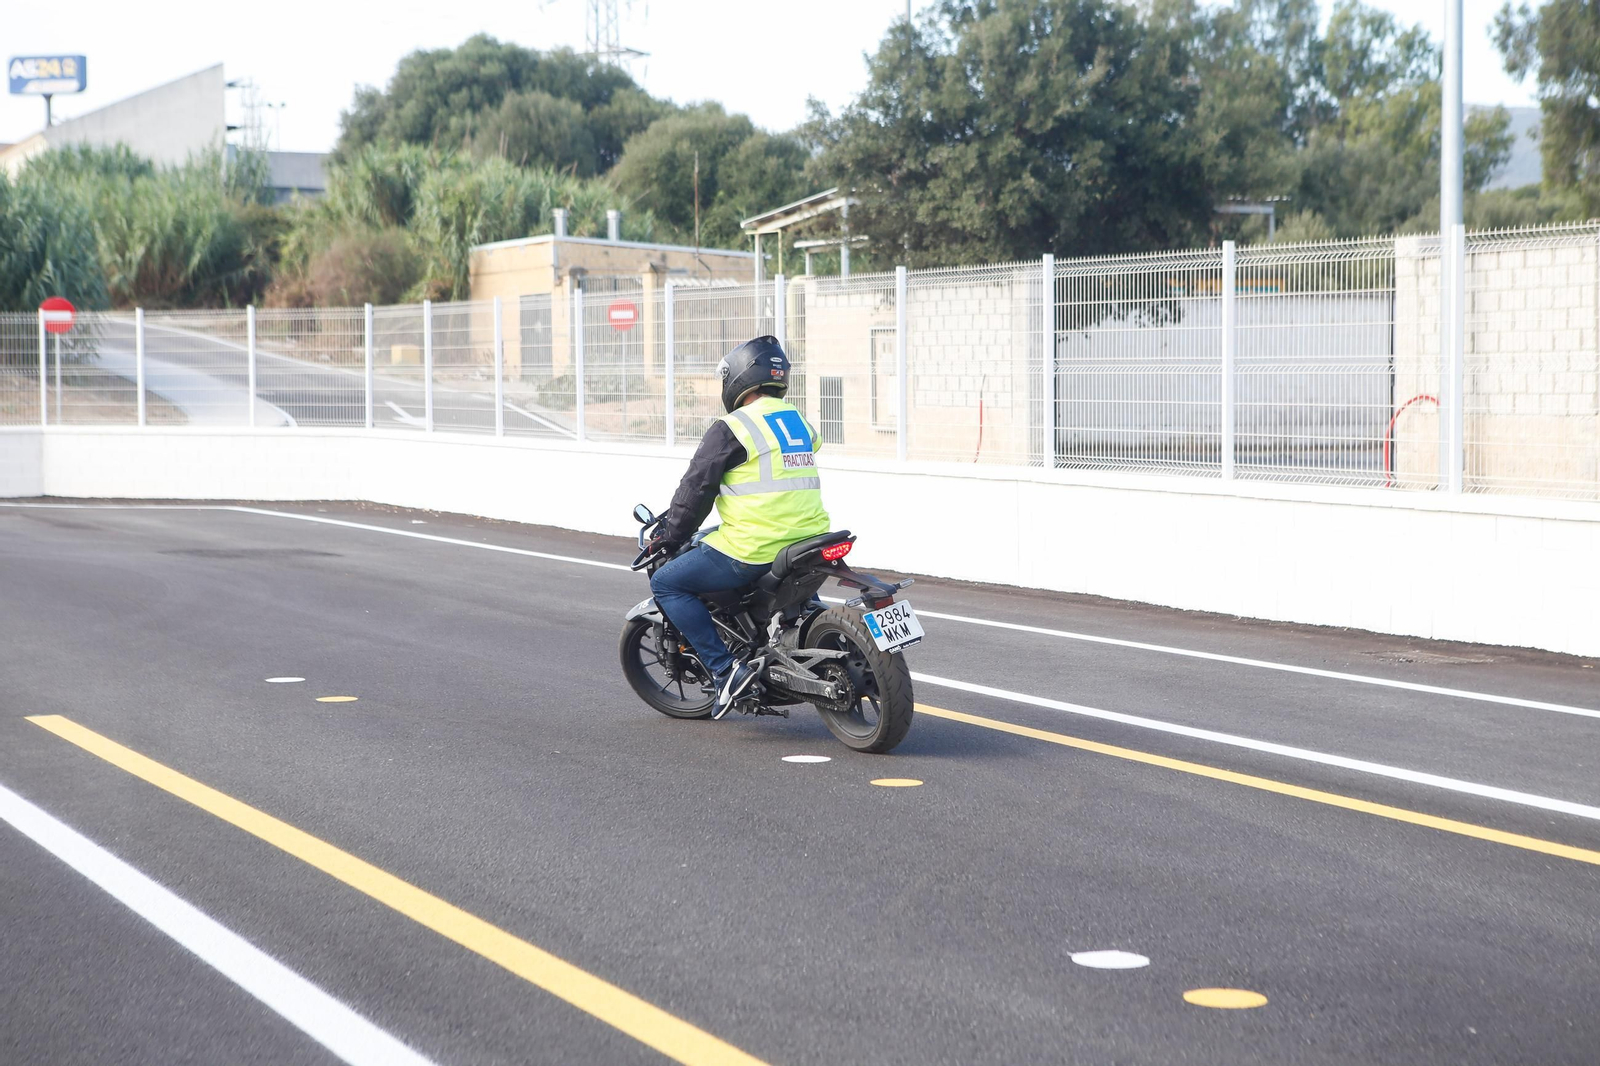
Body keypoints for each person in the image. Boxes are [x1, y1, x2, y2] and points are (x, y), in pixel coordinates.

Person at [649, 336, 830, 718]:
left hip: (755, 547)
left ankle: (725, 671)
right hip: (812, 539)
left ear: (738, 379)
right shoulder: (797, 421)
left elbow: (697, 487)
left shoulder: (734, 426)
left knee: (667, 581)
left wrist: (670, 535)